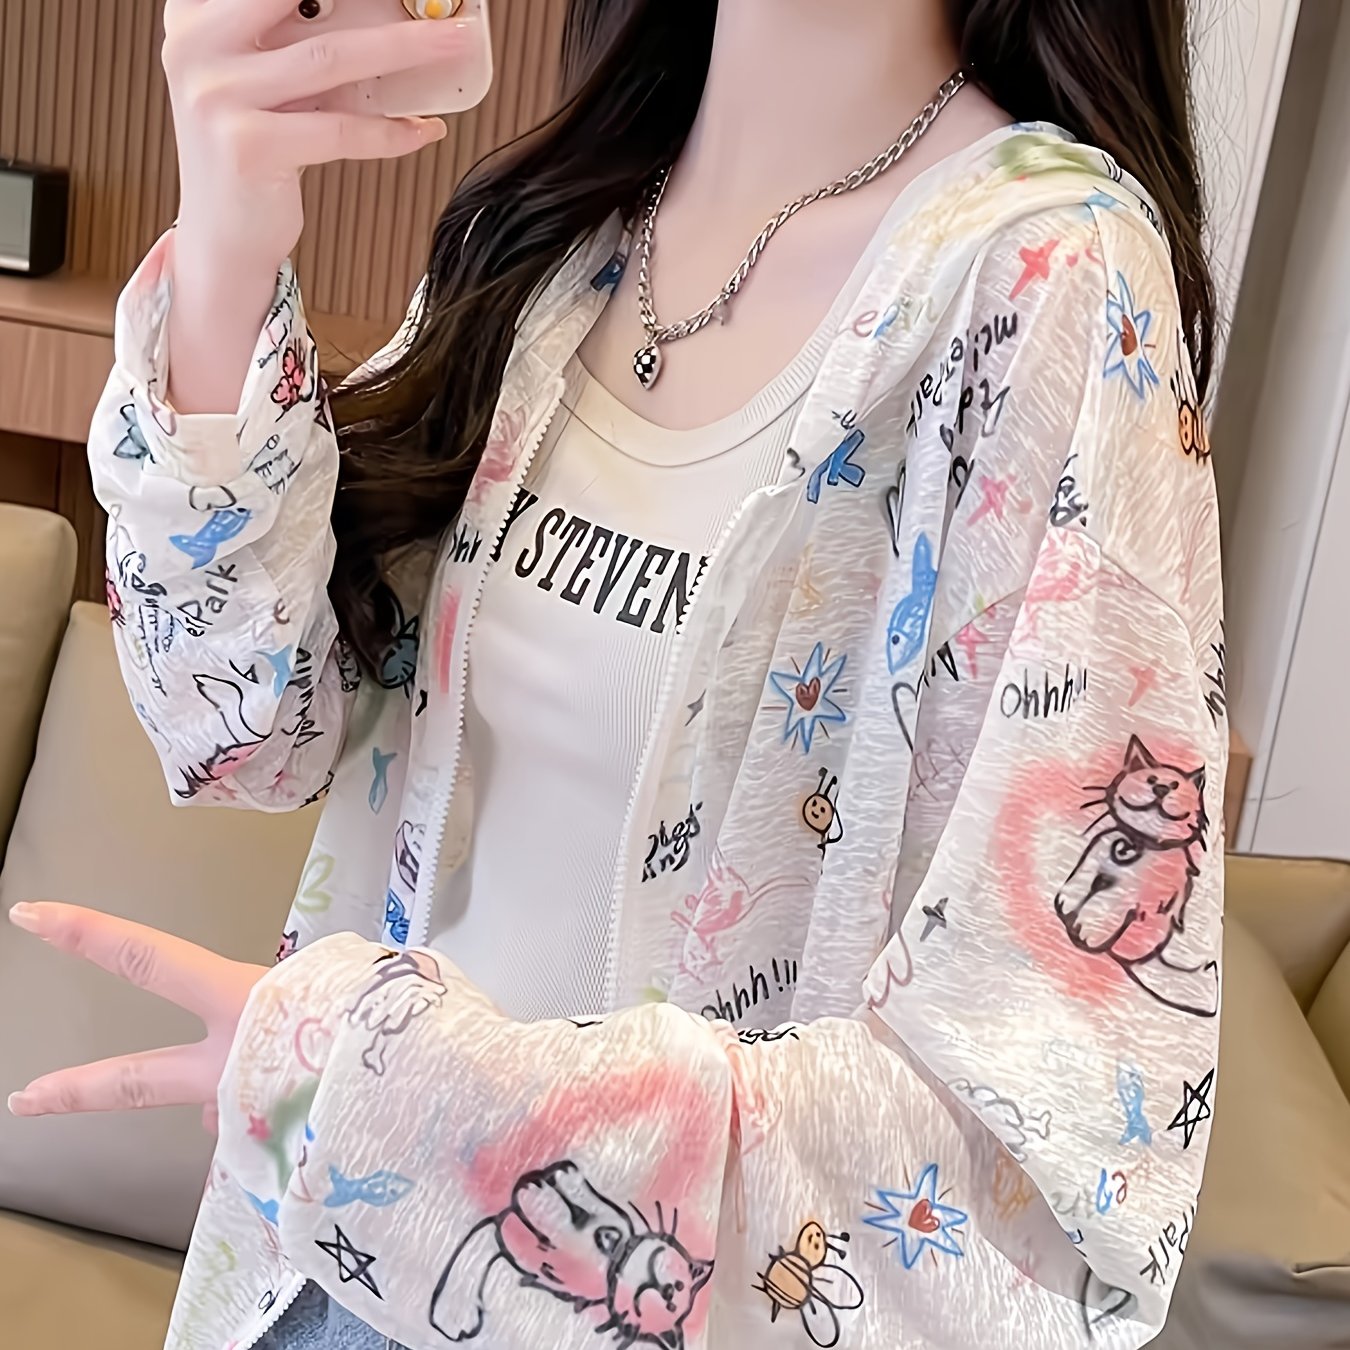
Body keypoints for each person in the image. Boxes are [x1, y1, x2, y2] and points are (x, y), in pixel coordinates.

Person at [9, 0, 1227, 1347]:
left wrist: (393, 1090)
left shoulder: (1053, 281)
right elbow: (239, 734)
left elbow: (1047, 1154)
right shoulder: (557, 238)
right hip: (327, 1273)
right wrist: (230, 239)